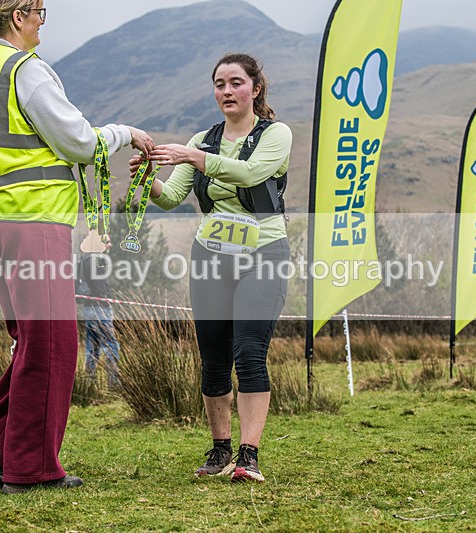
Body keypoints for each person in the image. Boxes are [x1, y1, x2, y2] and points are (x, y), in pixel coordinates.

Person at [0, 0, 153, 494]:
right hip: (32, 220)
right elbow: (79, 142)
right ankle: (31, 468)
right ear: (20, 15)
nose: (43, 21)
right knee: (54, 344)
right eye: (41, 11)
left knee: (32, 340)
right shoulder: (26, 70)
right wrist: (124, 134)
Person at [131, 53, 291, 483]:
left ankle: (249, 455)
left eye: (236, 83)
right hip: (211, 256)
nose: (226, 91)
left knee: (250, 352)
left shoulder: (276, 134)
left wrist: (195, 158)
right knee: (213, 357)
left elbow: (253, 173)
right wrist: (147, 177)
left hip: (263, 254)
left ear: (255, 89)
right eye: (219, 84)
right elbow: (170, 196)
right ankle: (220, 450)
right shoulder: (202, 138)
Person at [77, 250, 120, 387]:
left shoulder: (84, 259)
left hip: (88, 308)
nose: (110, 245)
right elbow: (99, 286)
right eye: (106, 241)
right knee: (110, 344)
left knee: (92, 346)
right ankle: (114, 383)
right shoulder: (98, 259)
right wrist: (107, 296)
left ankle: (89, 383)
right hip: (100, 308)